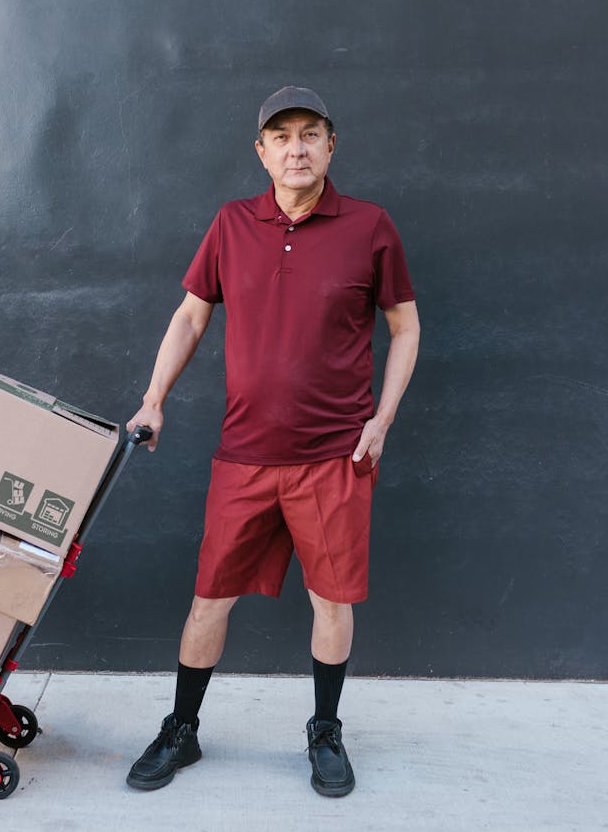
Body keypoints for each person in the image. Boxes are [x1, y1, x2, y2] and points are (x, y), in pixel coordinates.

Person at [124, 86, 420, 798]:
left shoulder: (370, 226)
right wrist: (154, 399)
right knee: (208, 601)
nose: (297, 148)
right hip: (246, 455)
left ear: (331, 145)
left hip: (335, 457)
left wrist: (382, 420)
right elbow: (191, 316)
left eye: (310, 134)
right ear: (261, 152)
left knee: (332, 603)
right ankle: (182, 729)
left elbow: (405, 326)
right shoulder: (232, 224)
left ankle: (325, 731)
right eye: (281, 137)